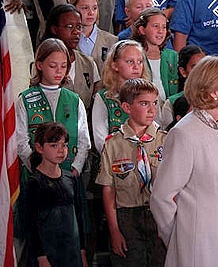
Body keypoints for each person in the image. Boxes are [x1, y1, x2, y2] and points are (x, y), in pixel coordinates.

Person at [150, 56, 218, 267]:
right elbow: (161, 197)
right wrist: (179, 239)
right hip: (197, 247)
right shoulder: (185, 133)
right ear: (213, 91)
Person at [96, 78, 166, 266]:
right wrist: (114, 230)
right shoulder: (113, 144)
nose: (152, 109)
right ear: (127, 107)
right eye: (144, 103)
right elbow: (108, 189)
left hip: (159, 215)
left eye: (154, 103)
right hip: (126, 217)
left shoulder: (165, 140)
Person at [16, 38, 91, 177]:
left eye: (63, 66)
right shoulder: (25, 100)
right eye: (53, 66)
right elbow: (21, 140)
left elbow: (84, 140)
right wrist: (36, 168)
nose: (59, 71)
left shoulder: (74, 100)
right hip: (36, 176)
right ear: (39, 65)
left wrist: (76, 168)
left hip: (69, 174)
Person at [26, 122, 87, 267]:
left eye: (64, 145)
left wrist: (82, 251)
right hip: (49, 253)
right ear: (39, 148)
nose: (61, 150)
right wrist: (41, 257)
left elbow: (79, 217)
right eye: (54, 146)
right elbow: (32, 224)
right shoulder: (34, 182)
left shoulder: (70, 179)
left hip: (72, 251)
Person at [91, 40, 150, 153]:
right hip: (114, 159)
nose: (136, 67)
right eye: (130, 62)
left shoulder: (150, 95)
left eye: (140, 62)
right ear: (115, 65)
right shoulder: (104, 98)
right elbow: (100, 140)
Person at [42, 4, 101, 110]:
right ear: (54, 29)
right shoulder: (43, 62)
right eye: (69, 27)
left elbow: (95, 103)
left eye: (79, 27)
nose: (76, 32)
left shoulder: (89, 63)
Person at [131, 8, 179, 100]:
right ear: (142, 30)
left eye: (164, 27)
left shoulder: (173, 56)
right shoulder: (135, 56)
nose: (160, 31)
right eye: (155, 26)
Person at [72, 0, 118, 76]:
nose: (91, 13)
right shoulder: (67, 41)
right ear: (73, 9)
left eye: (94, 8)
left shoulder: (112, 41)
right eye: (85, 8)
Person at [159, 45, 206, 127]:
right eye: (195, 67)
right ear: (183, 71)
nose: (201, 72)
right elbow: (166, 136)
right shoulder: (171, 103)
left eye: (204, 66)